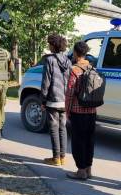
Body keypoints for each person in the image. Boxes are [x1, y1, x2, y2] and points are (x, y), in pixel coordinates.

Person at [65, 41, 97, 180]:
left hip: (78, 111)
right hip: (92, 111)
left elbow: (70, 92)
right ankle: (88, 169)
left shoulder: (74, 70)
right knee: (89, 141)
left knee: (78, 141)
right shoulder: (92, 68)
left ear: (76, 53)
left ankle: (81, 171)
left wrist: (67, 111)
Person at [40, 34, 72, 166]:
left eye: (49, 44)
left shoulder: (50, 60)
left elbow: (46, 82)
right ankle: (63, 157)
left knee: (53, 128)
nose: (48, 46)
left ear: (53, 46)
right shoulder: (68, 61)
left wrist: (43, 100)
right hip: (65, 100)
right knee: (62, 128)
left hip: (53, 99)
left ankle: (55, 158)